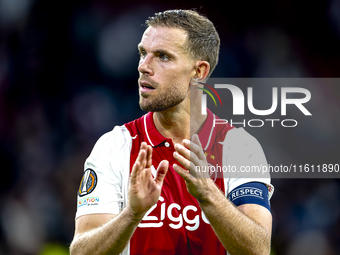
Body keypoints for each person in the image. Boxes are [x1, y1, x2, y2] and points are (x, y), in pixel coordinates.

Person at [70, 9, 274, 255]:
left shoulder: (239, 148)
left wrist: (208, 194)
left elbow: (258, 249)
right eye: (143, 53)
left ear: (199, 72)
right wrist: (131, 215)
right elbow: (81, 251)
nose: (144, 66)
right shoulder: (114, 146)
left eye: (163, 56)